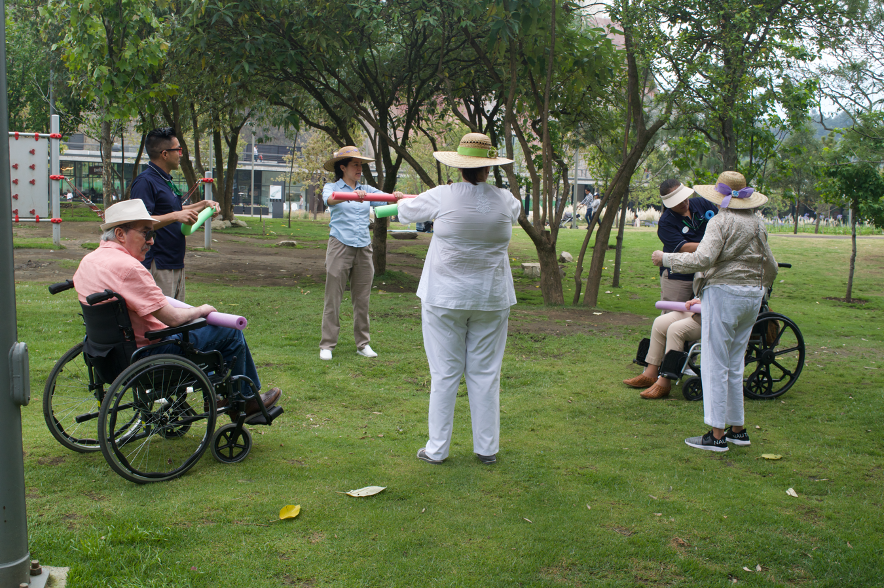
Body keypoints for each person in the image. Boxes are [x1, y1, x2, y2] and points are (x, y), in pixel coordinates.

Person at [73, 199, 281, 414]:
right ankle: (243, 400)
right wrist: (201, 310)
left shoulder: (89, 261)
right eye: (146, 233)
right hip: (147, 353)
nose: (152, 241)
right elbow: (173, 319)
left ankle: (218, 394)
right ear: (120, 234)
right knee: (230, 332)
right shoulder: (128, 267)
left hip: (105, 354)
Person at [396, 133, 520, 465]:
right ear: (488, 169)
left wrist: (400, 198)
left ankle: (437, 449)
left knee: (445, 373)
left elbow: (404, 212)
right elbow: (514, 215)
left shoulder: (441, 195)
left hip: (444, 296)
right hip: (490, 298)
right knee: (485, 374)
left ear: (459, 167)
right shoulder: (506, 200)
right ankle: (487, 449)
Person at [652, 171, 777, 452]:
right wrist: (758, 287)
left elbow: (704, 258)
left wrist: (666, 258)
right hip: (752, 295)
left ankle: (717, 434)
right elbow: (772, 265)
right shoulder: (757, 223)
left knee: (715, 363)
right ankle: (738, 429)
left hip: (725, 294)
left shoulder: (720, 221)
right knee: (735, 362)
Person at [319, 146, 404, 360]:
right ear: (343, 167)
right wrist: (351, 196)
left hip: (364, 247)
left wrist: (397, 196)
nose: (359, 168)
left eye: (360, 165)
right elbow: (330, 200)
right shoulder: (331, 187)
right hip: (339, 245)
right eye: (355, 164)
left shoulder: (367, 190)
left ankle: (363, 344)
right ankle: (327, 345)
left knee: (362, 299)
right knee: (333, 298)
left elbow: (386, 199)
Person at [129, 127, 218, 302]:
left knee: (176, 322)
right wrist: (176, 216)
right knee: (161, 324)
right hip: (157, 263)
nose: (181, 154)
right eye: (178, 150)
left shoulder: (165, 180)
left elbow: (172, 210)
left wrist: (204, 205)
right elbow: (139, 224)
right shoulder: (145, 182)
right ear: (164, 154)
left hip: (174, 261)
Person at [656, 179, 718, 305]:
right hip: (679, 275)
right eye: (678, 201)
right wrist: (714, 246)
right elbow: (684, 247)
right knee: (673, 315)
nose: (684, 202)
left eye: (685, 198)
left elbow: (721, 224)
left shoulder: (702, 204)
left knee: (702, 317)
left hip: (707, 273)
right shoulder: (665, 223)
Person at [623, 304, 701, 399]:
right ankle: (650, 374)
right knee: (660, 322)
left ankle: (665, 381)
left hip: (714, 315)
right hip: (698, 310)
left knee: (675, 329)